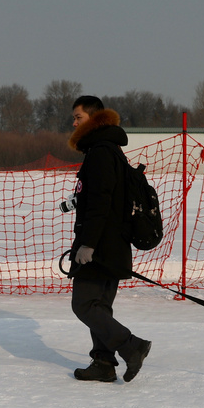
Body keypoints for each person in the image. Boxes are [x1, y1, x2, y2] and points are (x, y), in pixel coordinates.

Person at [65, 95, 152, 383]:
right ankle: (103, 363)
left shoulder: (101, 151)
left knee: (84, 305)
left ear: (94, 118)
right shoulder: (108, 149)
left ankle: (131, 345)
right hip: (112, 243)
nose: (74, 123)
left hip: (100, 245)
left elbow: (101, 201)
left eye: (79, 117)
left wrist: (88, 244)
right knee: (99, 305)